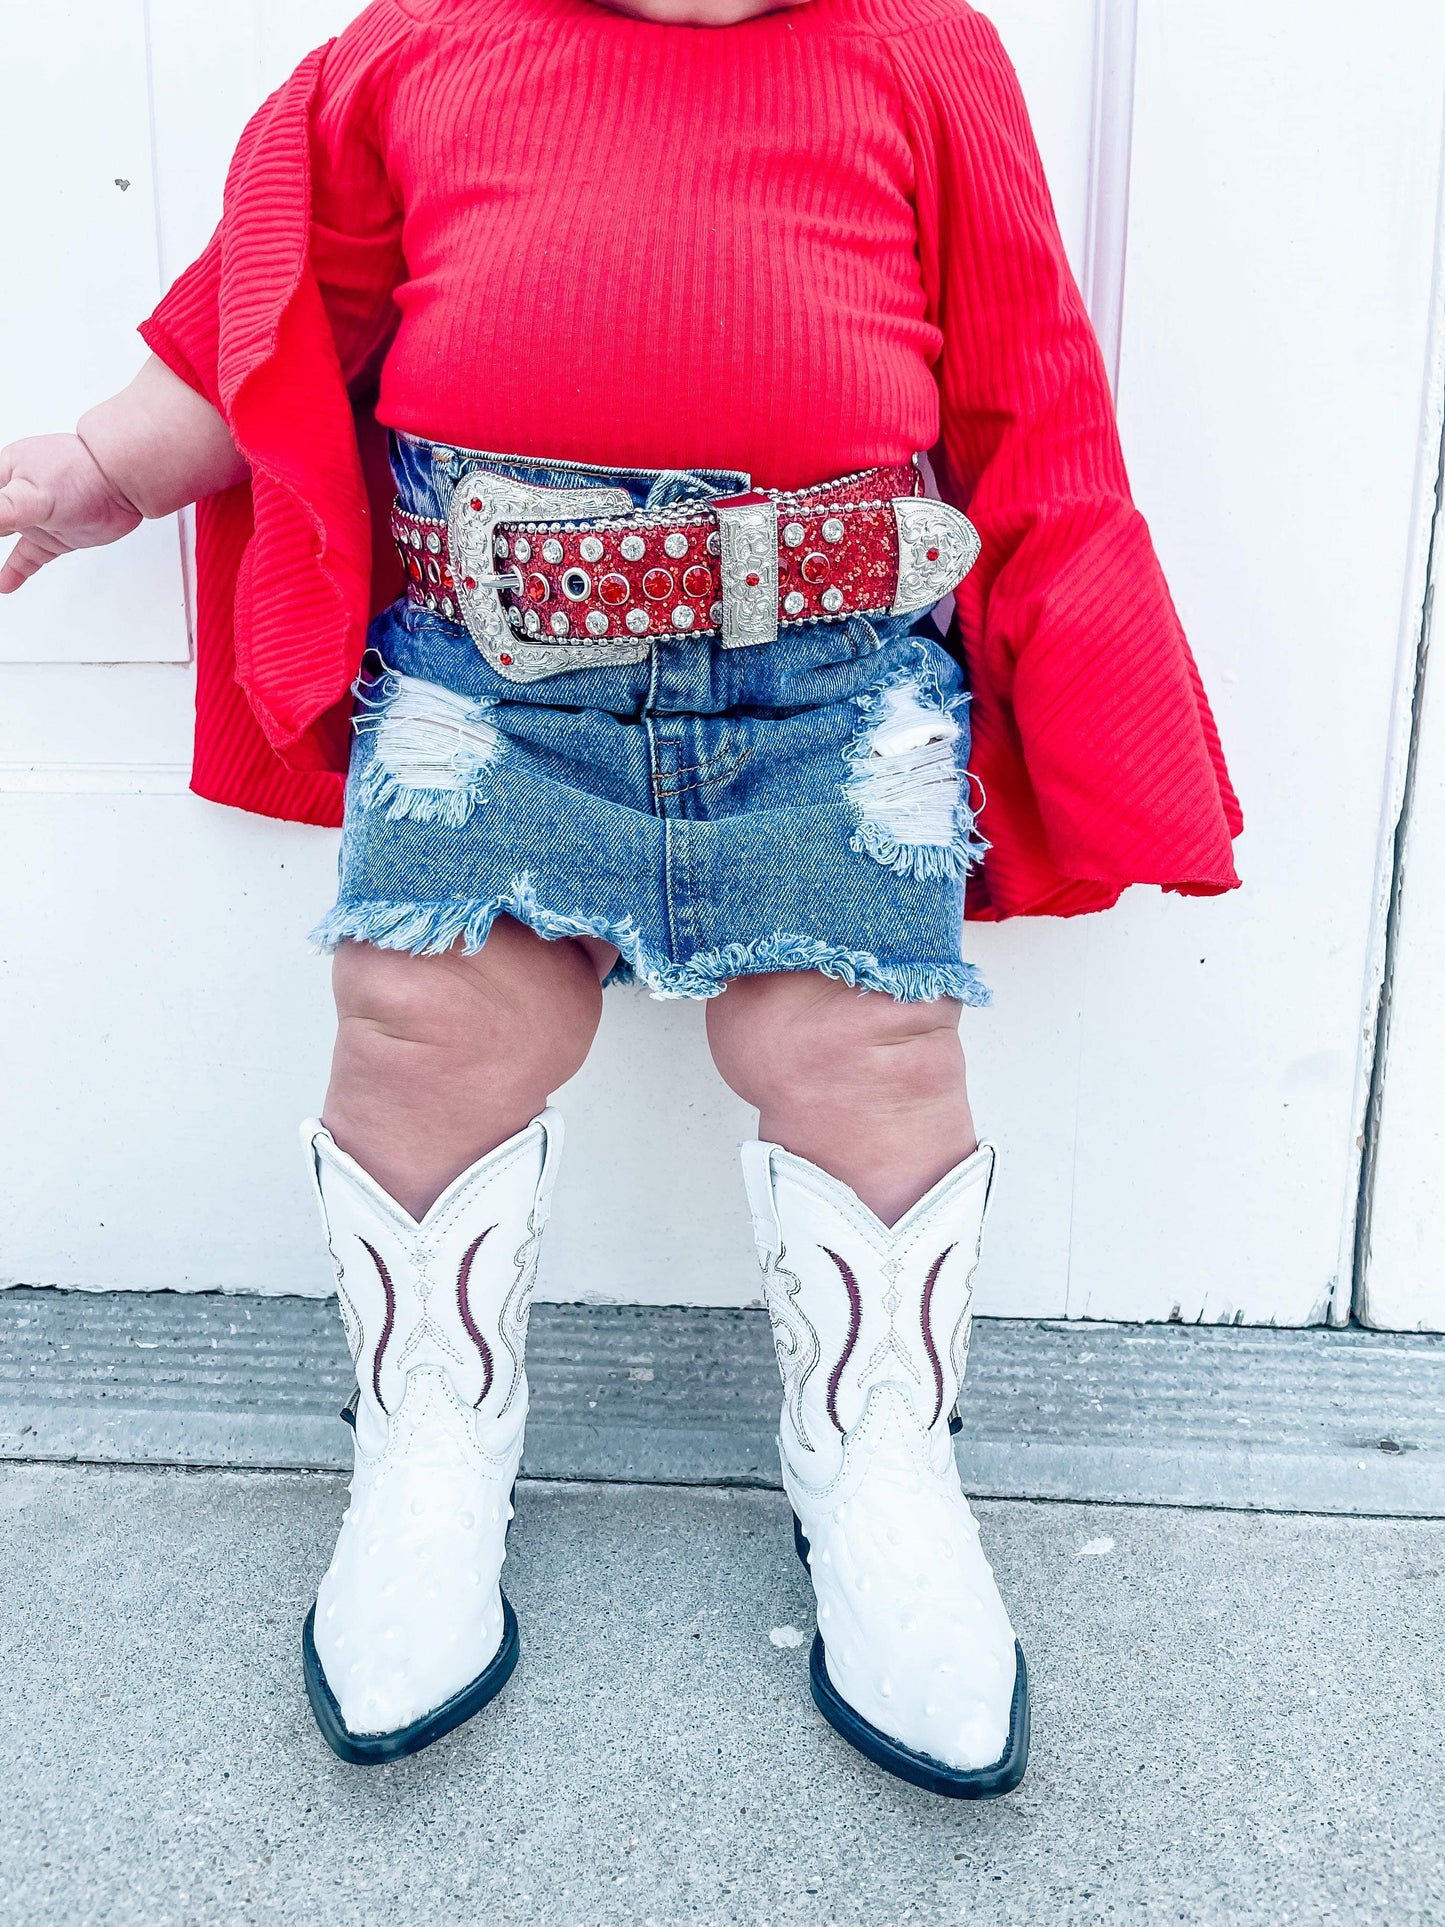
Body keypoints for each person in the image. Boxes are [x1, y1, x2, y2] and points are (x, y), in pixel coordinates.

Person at [0, 0, 1239, 1795]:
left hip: (829, 684)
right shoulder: (417, 50)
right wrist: (105, 467)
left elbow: (1024, 390)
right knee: (422, 1023)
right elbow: (272, 311)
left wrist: (1094, 687)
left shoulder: (919, 54)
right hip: (490, 678)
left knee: (873, 1055)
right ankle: (430, 1436)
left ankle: (877, 1455)